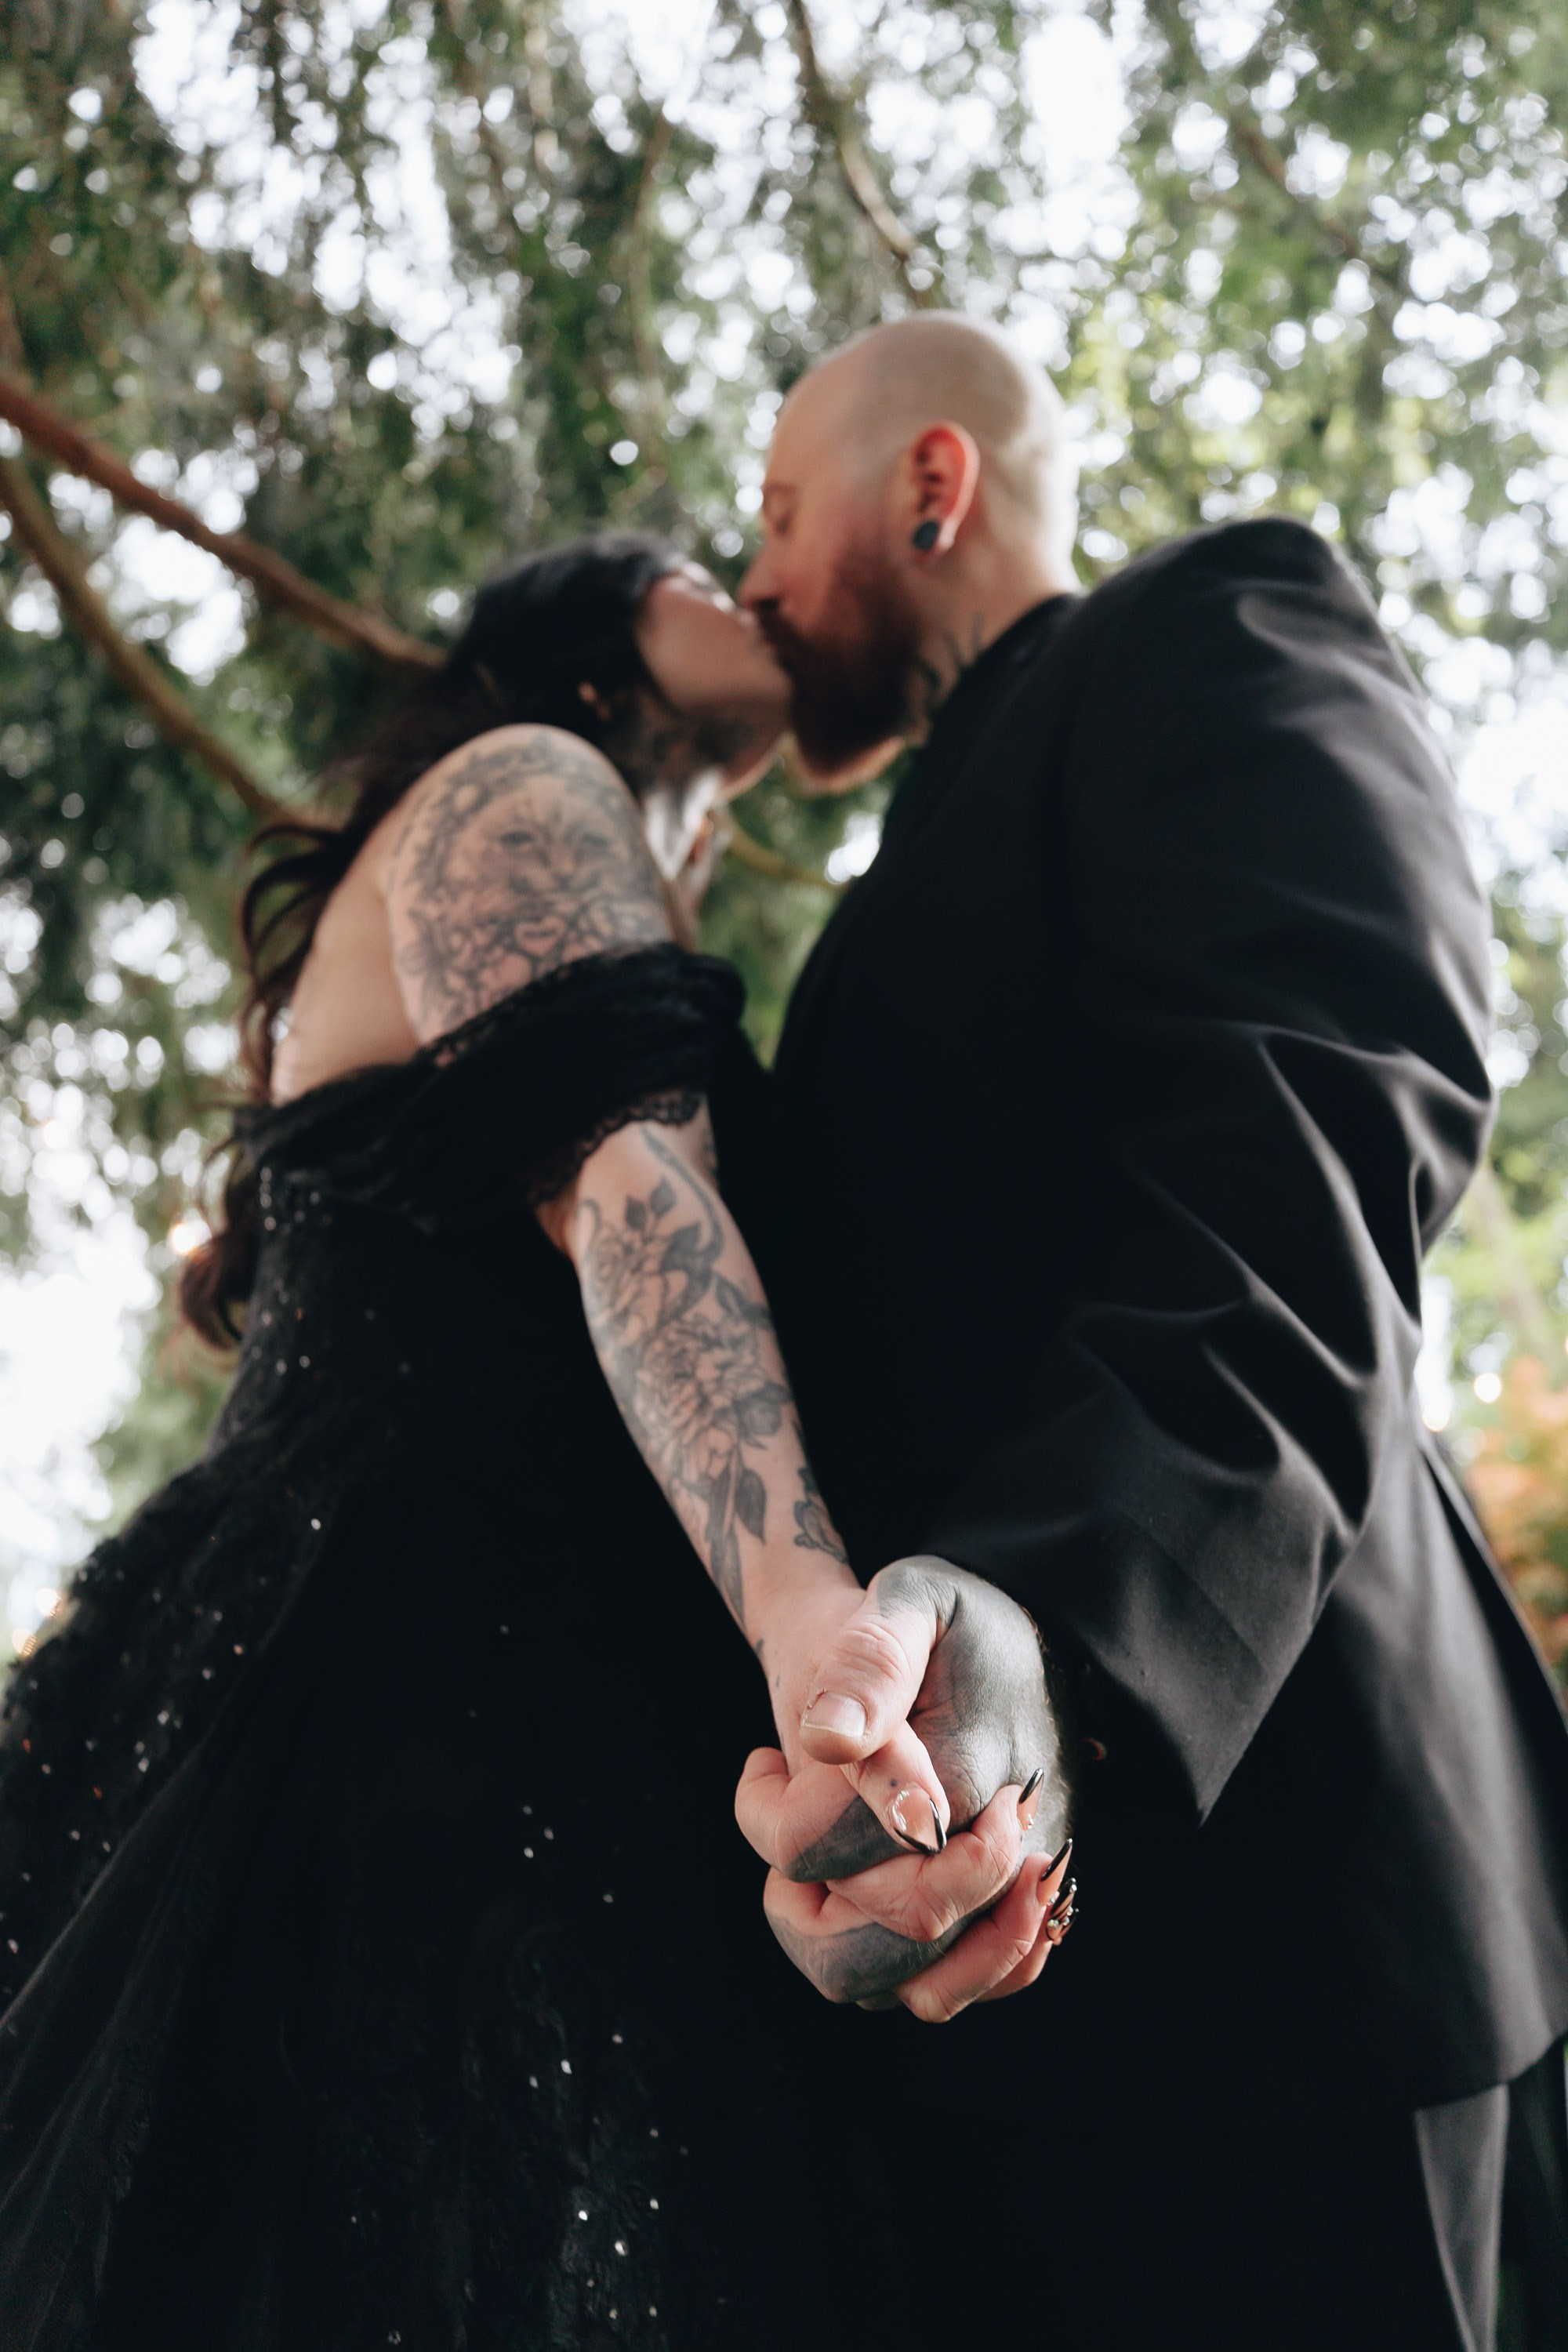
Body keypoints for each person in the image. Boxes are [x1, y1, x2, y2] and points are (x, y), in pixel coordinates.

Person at [0, 531, 1068, 2349]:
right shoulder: (521, 782)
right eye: (690, 565)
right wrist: (809, 1604)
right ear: (579, 638)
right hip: (399, 1708)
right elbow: (628, 1185)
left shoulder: (607, 865)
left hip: (537, 1698)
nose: (749, 576)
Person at [720, 314, 1568, 2349]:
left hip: (1307, 1960)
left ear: (932, 484)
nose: (748, 577)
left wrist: (1062, 1639)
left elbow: (1325, 1118)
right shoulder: (888, 892)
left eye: (772, 511)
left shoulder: (1213, 629)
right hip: (974, 2053)